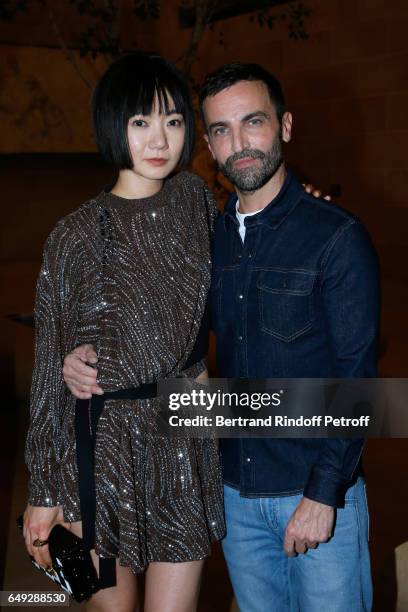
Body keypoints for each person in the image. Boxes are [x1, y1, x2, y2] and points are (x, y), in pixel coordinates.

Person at [23, 52, 225, 612]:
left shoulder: (196, 204)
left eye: (173, 121)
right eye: (141, 122)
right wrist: (43, 492)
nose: (160, 139)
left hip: (183, 438)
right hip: (103, 447)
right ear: (115, 127)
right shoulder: (75, 234)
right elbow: (47, 370)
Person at [198, 63, 379, 611]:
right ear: (208, 145)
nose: (240, 143)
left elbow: (357, 376)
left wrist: (323, 494)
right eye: (222, 130)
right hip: (236, 501)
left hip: (317, 495)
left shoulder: (336, 237)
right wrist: (83, 355)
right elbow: (168, 340)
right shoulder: (209, 241)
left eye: (253, 122)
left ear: (286, 125)